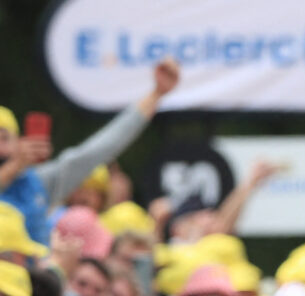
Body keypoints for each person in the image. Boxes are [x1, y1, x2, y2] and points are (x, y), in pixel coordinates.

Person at [0, 58, 181, 245]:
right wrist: (12, 168)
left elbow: (100, 148)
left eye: (4, 138)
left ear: (18, 141)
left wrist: (156, 94)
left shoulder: (37, 183)